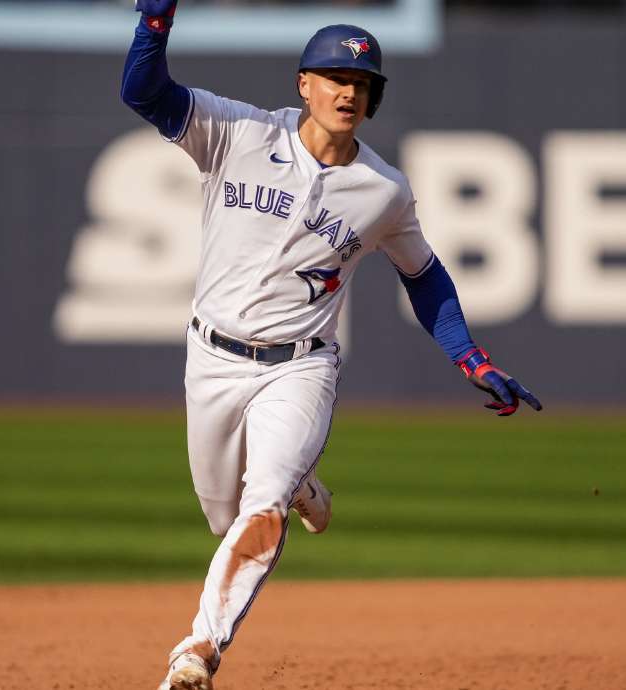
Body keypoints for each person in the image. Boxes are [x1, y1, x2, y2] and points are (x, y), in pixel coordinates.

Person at [121, 3, 543, 688]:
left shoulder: (383, 191)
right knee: (223, 517)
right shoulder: (238, 131)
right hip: (213, 359)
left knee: (259, 516)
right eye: (336, 75)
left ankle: (196, 653)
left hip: (300, 367)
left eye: (364, 81)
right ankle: (299, 483)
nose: (350, 90)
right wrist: (156, 22)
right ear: (304, 85)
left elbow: (425, 276)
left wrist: (470, 356)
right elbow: (143, 93)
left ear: (375, 98)